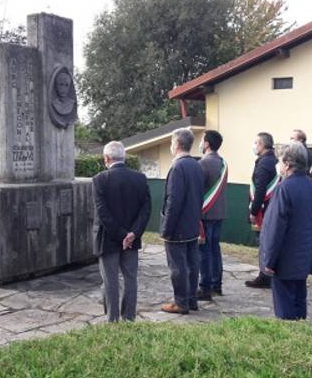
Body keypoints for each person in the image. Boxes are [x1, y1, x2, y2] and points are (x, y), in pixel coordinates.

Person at [260, 141, 312, 320]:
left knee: (285, 308)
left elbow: (275, 228)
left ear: (287, 164)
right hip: (304, 256)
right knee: (299, 301)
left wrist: (269, 261)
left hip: (285, 259)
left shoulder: (284, 188)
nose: (278, 165)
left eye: (279, 161)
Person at [92, 141, 151, 322]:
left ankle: (112, 319)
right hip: (132, 240)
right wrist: (132, 234)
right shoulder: (140, 178)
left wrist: (121, 235)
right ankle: (129, 317)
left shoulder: (99, 179)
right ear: (123, 157)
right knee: (130, 278)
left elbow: (102, 213)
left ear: (107, 158)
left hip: (108, 238)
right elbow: (146, 209)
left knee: (110, 280)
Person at [160, 128, 204, 314]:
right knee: (192, 265)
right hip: (192, 223)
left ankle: (181, 302)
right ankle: (192, 300)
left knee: (178, 267)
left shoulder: (178, 167)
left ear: (177, 144)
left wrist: (166, 228)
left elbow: (174, 201)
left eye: (171, 142)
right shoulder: (196, 165)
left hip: (177, 227)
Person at [197, 130, 228, 300]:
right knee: (215, 249)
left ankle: (205, 287)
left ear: (207, 143)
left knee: (204, 251)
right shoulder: (223, 163)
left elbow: (198, 189)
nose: (200, 143)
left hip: (206, 213)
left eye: (202, 140)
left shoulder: (203, 163)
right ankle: (217, 284)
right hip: (219, 212)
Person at [245, 132, 278, 289]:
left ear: (263, 145)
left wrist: (253, 211)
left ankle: (265, 276)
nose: (254, 146)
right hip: (272, 207)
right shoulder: (274, 160)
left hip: (264, 210)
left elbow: (260, 190)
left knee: (265, 243)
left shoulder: (264, 163)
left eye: (256, 142)